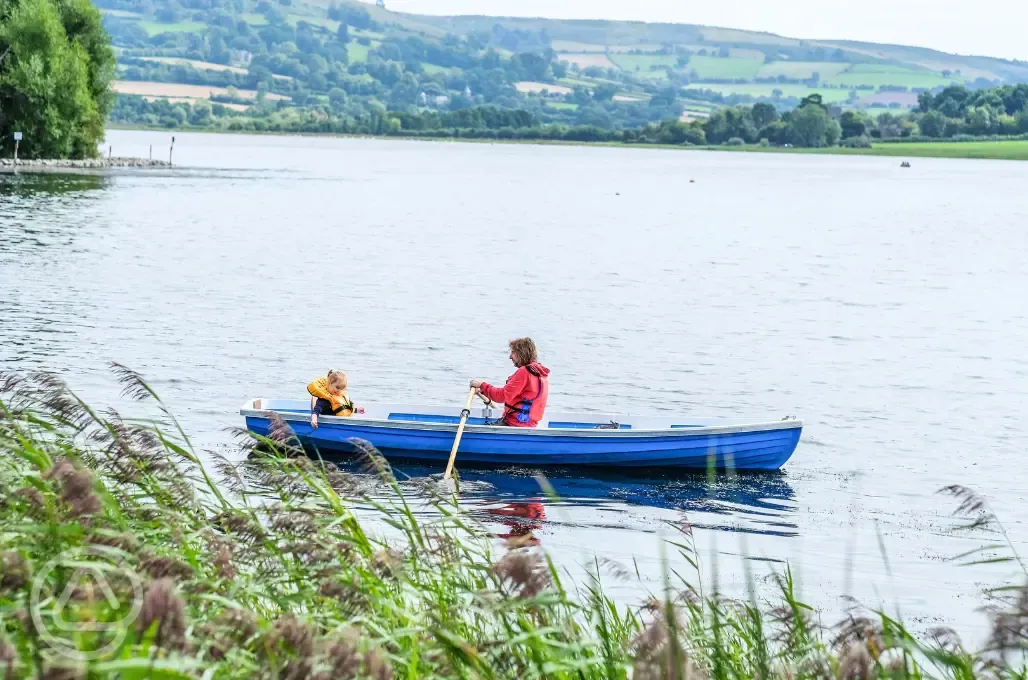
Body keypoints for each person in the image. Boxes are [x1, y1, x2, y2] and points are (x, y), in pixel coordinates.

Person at [470, 337, 550, 427]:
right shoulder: (538, 373)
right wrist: (483, 391)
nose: (510, 356)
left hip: (515, 425)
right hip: (528, 425)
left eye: (513, 352)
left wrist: (482, 385)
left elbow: (502, 396)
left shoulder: (525, 372)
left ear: (521, 353)